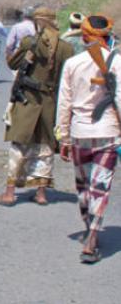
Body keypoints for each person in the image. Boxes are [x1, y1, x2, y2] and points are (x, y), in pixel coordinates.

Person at [0, 7, 73, 207]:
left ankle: (10, 193)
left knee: (19, 145)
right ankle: (41, 193)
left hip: (27, 99)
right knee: (45, 147)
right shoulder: (67, 49)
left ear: (38, 22)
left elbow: (12, 64)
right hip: (50, 102)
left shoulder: (30, 43)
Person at [57, 15, 120, 263]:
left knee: (83, 187)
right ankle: (93, 235)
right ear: (107, 36)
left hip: (80, 133)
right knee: (100, 187)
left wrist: (63, 136)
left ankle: (89, 229)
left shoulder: (73, 64)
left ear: (84, 37)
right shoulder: (118, 62)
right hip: (108, 134)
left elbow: (65, 102)